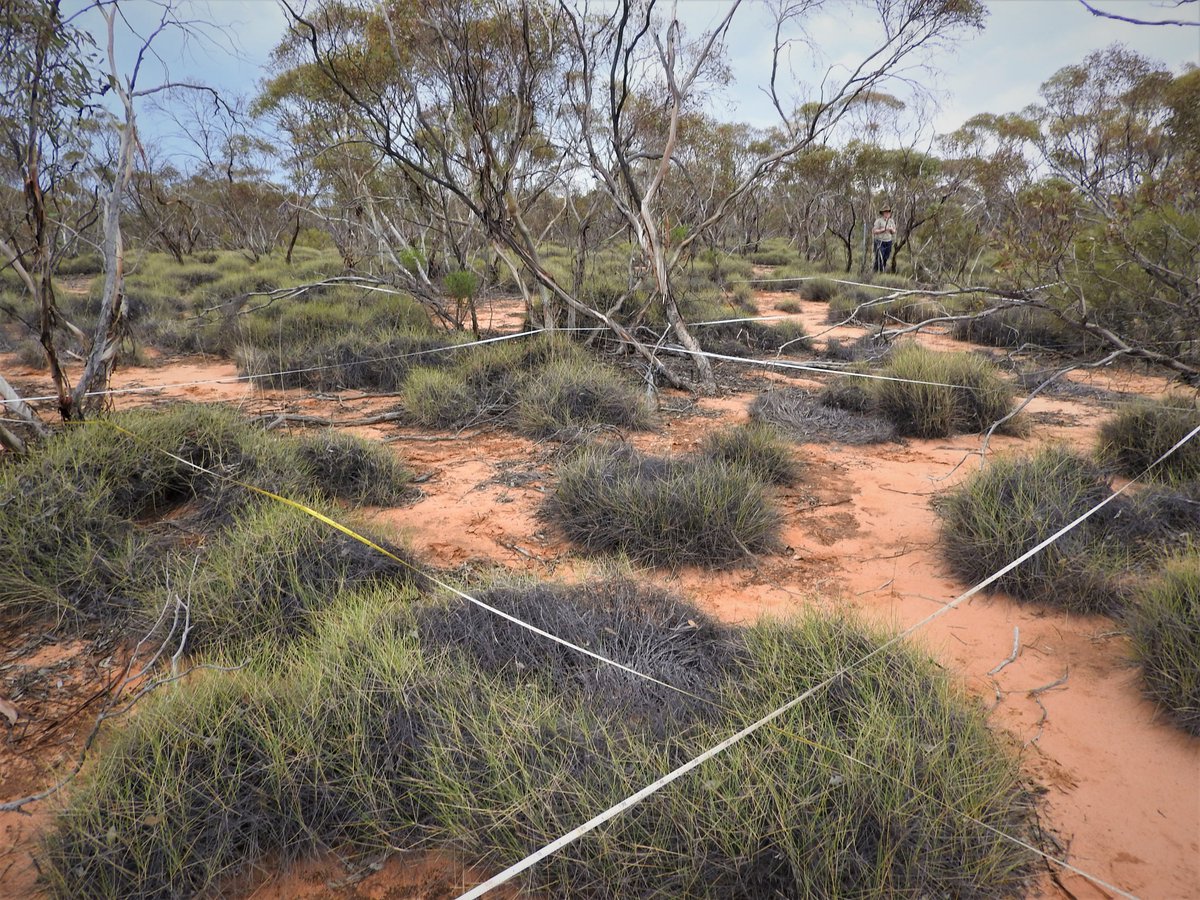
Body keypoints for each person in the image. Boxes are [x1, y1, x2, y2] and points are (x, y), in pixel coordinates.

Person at [872, 205, 896, 273]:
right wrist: (884, 229)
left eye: (888, 212)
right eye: (886, 212)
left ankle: (882, 270)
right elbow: (874, 231)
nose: (887, 213)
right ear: (883, 213)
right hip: (879, 241)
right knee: (880, 257)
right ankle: (876, 271)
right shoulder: (878, 221)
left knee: (886, 257)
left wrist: (891, 230)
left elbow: (894, 231)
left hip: (888, 241)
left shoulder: (891, 221)